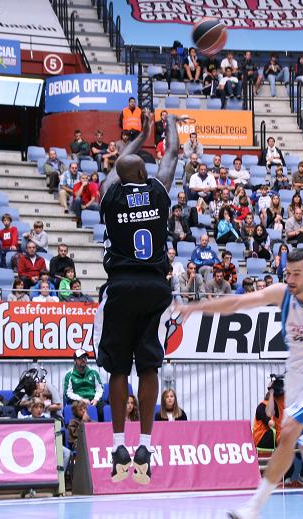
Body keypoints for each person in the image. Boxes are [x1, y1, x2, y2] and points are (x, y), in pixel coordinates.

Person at [175, 248, 303, 519]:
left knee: (289, 434)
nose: (291, 279)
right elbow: (237, 303)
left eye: (297, 274)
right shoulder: (282, 294)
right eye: (288, 274)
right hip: (297, 380)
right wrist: (196, 307)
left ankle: (254, 507)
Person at [94, 109, 185, 486]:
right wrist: (170, 124)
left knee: (117, 369)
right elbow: (173, 153)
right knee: (149, 367)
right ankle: (145, 444)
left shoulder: (109, 194)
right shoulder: (158, 191)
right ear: (145, 175)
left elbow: (119, 164)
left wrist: (141, 134)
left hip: (119, 286)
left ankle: (118, 443)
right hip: (154, 289)